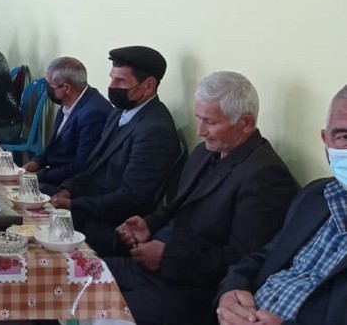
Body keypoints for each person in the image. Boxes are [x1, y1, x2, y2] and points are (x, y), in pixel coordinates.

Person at [105, 71, 297, 325]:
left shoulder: (265, 176)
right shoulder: (206, 152)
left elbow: (242, 258)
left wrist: (167, 258)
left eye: (210, 122)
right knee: (72, 276)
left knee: (97, 312)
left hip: (188, 292)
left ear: (246, 123)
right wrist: (149, 224)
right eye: (198, 118)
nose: (200, 131)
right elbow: (178, 206)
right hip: (151, 268)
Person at [215, 83, 347, 325]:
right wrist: (232, 290)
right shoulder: (315, 195)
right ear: (325, 140)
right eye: (344, 137)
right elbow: (265, 256)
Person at [49, 46, 180, 255]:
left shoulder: (155, 131)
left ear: (148, 85)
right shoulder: (119, 112)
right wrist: (68, 189)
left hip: (112, 223)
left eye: (121, 81)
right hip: (90, 202)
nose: (111, 86)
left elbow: (131, 199)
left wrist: (74, 204)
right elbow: (93, 165)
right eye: (112, 78)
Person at [23, 57, 112, 195]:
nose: (48, 89)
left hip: (70, 186)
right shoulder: (68, 102)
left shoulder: (93, 114)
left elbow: (81, 166)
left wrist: (38, 175)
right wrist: (36, 162)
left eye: (50, 85)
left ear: (66, 88)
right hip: (54, 173)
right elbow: (53, 146)